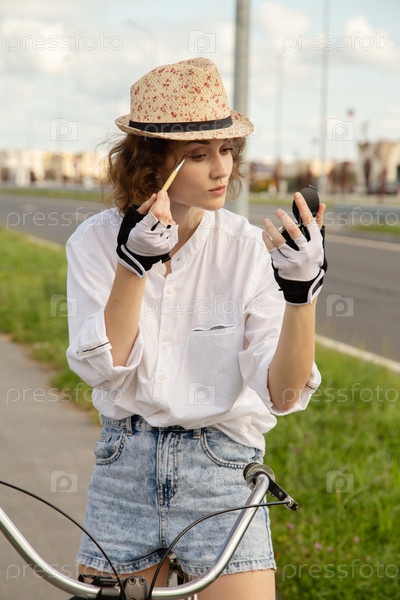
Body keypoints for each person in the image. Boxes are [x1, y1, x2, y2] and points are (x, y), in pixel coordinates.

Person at [66, 57, 326, 600]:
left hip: (222, 470)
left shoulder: (246, 249)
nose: (221, 169)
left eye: (226, 149)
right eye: (199, 154)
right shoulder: (94, 242)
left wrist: (300, 298)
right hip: (125, 467)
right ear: (150, 164)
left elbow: (283, 395)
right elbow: (106, 370)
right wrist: (133, 267)